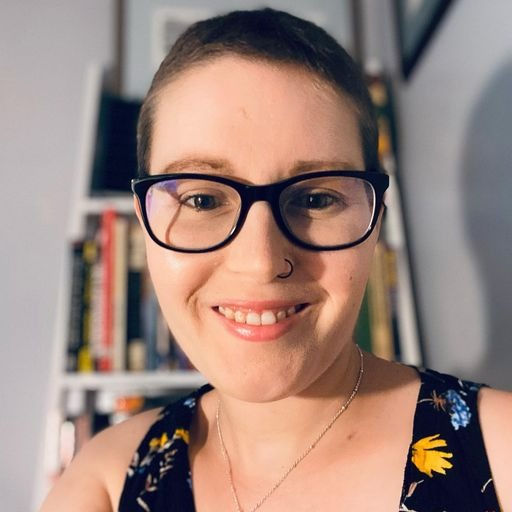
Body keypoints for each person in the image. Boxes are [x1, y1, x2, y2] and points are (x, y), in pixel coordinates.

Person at [40, 8, 512, 512]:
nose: (261, 262)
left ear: (376, 218)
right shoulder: (108, 480)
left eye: (315, 199)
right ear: (143, 224)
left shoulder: (501, 452)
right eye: (202, 200)